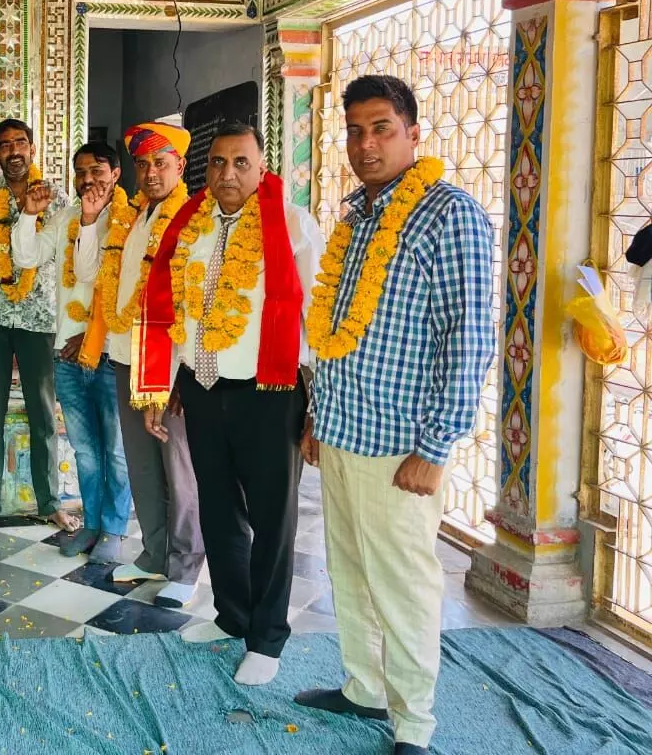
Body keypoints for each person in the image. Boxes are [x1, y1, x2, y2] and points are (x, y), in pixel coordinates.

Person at [295, 75, 495, 755]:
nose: (366, 144)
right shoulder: (356, 216)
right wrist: (318, 418)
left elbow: (469, 338)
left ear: (413, 132)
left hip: (401, 445)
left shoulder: (448, 214)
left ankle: (414, 726)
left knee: (403, 584)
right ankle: (364, 688)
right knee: (349, 571)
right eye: (354, 131)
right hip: (343, 430)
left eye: (381, 128)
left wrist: (436, 448)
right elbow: (332, 332)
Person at [139, 123, 324, 685]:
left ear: (262, 168)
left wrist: (318, 405)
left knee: (272, 519)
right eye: (218, 162)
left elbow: (315, 317)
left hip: (269, 392)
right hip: (203, 388)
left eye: (241, 162)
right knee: (218, 511)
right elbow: (174, 312)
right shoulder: (189, 225)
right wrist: (164, 385)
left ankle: (267, 637)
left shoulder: (292, 223)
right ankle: (232, 615)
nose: (228, 174)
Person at [76, 116, 204, 608]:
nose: (151, 173)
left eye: (160, 163)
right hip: (125, 354)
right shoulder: (129, 217)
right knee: (142, 466)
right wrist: (90, 221)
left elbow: (191, 303)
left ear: (180, 166)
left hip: (168, 363)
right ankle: (154, 552)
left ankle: (186, 565)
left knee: (179, 467)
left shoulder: (192, 218)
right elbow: (94, 275)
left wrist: (177, 374)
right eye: (143, 164)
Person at [13, 141, 133, 563]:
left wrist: (91, 221)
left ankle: (115, 528)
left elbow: (98, 275)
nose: (87, 180)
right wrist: (29, 214)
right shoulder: (65, 216)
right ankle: (93, 524)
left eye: (97, 171)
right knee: (84, 450)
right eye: (80, 171)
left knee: (115, 450)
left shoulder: (130, 219)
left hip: (112, 353)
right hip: (67, 355)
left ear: (115, 174)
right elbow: (25, 255)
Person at [0, 118, 78, 539]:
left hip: (40, 320)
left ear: (32, 147)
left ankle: (50, 503)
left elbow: (68, 261)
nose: (14, 151)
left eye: (20, 143)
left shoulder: (58, 198)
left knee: (44, 415)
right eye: (5, 145)